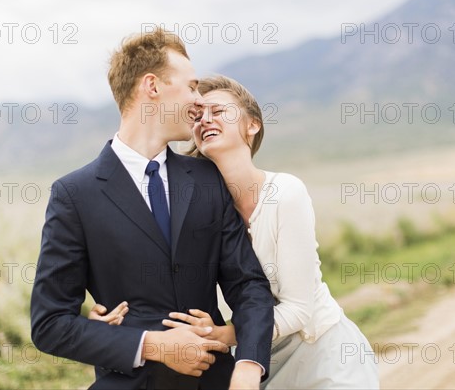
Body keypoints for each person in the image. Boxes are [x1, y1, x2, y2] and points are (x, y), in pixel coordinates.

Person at [92, 75, 379, 389]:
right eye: (198, 115)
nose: (205, 120)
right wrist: (114, 319)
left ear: (252, 125)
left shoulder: (285, 192)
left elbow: (298, 309)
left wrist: (226, 334)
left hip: (321, 354)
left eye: (218, 111)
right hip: (253, 365)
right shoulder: (192, 211)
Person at [30, 30, 275, 390]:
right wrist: (152, 345)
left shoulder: (207, 178)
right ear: (152, 86)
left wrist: (249, 366)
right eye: (191, 87)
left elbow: (249, 285)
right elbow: (50, 323)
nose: (198, 100)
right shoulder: (74, 195)